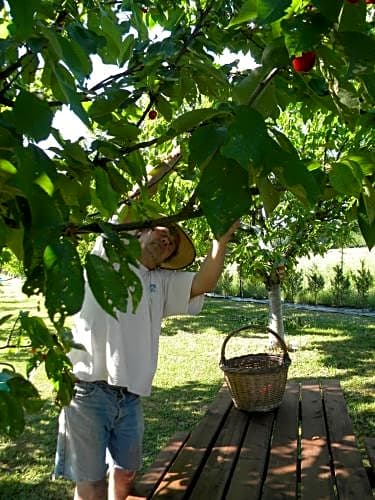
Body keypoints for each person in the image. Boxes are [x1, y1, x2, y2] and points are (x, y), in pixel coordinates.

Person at [54, 219, 239, 500]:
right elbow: (130, 205)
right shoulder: (107, 254)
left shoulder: (160, 283)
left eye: (173, 244)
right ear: (140, 230)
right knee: (91, 485)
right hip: (87, 391)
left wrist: (220, 241)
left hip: (130, 398)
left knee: (126, 472)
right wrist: (161, 171)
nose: (169, 241)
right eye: (164, 232)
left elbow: (204, 282)